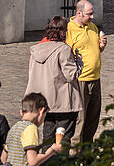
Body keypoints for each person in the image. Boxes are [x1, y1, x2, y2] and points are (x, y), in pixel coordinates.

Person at [26, 15, 83, 149]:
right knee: (63, 140)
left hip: (44, 102)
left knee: (48, 138)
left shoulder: (36, 50)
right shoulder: (63, 50)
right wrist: (79, 63)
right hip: (64, 103)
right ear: (64, 31)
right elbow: (71, 75)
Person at [66, 0, 107, 143]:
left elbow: (95, 49)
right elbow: (66, 56)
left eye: (92, 13)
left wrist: (101, 46)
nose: (92, 17)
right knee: (80, 120)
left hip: (95, 79)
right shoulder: (69, 30)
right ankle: (75, 155)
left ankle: (87, 151)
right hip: (80, 80)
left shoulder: (92, 27)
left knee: (93, 118)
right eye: (89, 14)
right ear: (79, 13)